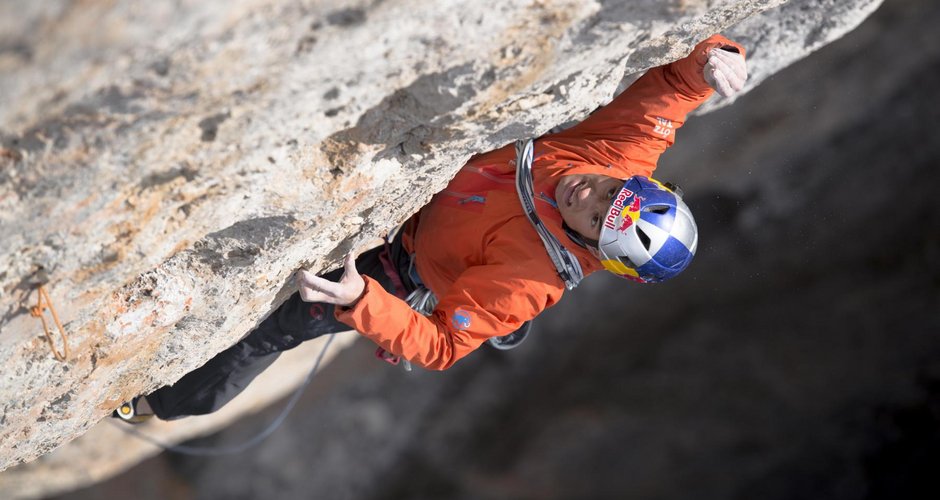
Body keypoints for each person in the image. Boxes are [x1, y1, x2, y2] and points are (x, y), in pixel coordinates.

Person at [114, 34, 747, 422]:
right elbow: (668, 92)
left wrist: (363, 302)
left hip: (400, 267)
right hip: (417, 202)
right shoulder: (620, 161)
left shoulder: (529, 281)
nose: (590, 191)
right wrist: (715, 59)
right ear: (640, 185)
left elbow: (443, 345)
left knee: (268, 336)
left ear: (589, 246)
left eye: (594, 213)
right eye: (613, 191)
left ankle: (160, 404)